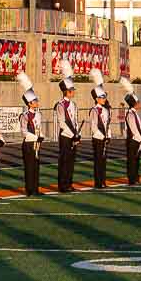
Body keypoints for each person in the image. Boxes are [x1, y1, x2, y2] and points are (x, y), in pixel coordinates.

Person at [55, 62, 80, 193]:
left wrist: (77, 134)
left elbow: (75, 120)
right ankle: (62, 185)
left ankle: (69, 183)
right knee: (64, 160)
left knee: (71, 161)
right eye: (72, 91)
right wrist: (72, 134)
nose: (73, 92)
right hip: (65, 136)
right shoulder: (60, 105)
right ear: (67, 92)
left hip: (73, 136)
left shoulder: (74, 105)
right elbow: (62, 122)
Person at [17, 71, 43, 197]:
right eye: (35, 100)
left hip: (36, 143)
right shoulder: (25, 115)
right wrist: (36, 137)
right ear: (29, 103)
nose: (37, 101)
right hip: (28, 143)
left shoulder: (38, 114)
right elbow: (24, 131)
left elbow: (38, 128)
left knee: (36, 167)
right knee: (29, 167)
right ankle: (29, 189)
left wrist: (40, 136)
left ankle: (36, 188)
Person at [87, 72, 111, 189]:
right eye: (102, 97)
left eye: (105, 97)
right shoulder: (94, 110)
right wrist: (101, 136)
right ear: (96, 99)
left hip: (104, 138)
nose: (104, 99)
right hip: (97, 138)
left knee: (103, 160)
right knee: (98, 160)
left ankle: (103, 180)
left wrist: (108, 135)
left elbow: (107, 124)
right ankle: (98, 182)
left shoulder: (105, 110)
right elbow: (94, 126)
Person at [121, 77, 141, 184]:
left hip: (137, 140)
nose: (140, 103)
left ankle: (136, 177)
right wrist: (139, 139)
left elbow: (140, 127)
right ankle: (132, 178)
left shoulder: (135, 113)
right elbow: (134, 129)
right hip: (133, 140)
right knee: (132, 160)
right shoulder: (130, 114)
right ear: (134, 103)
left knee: (136, 160)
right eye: (138, 101)